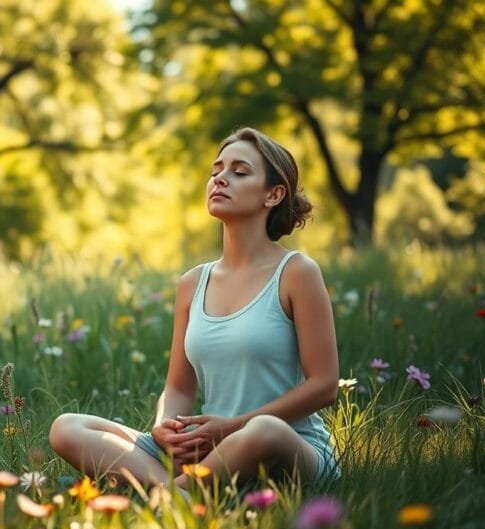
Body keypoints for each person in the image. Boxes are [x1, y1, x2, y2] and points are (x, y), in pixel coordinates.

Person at [48, 127, 340, 490]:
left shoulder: (297, 273)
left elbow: (325, 386)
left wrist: (232, 427)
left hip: (285, 447)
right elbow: (178, 388)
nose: (220, 178)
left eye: (239, 171)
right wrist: (166, 427)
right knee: (68, 427)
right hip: (206, 446)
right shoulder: (192, 283)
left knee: (263, 431)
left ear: (273, 194)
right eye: (217, 169)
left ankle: (168, 495)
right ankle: (181, 493)